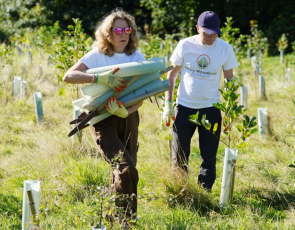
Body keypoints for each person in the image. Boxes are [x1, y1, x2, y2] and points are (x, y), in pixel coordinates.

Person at [63, 9, 145, 221]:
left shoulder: (137, 56)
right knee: (125, 169)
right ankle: (126, 222)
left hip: (128, 116)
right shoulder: (98, 55)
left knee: (126, 170)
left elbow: (143, 93)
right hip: (101, 119)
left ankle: (115, 219)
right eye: (117, 29)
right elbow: (69, 76)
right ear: (108, 33)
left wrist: (127, 111)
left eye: (127, 29)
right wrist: (99, 78)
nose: (123, 33)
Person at [163, 11, 238, 191]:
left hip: (211, 109)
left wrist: (229, 110)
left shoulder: (225, 48)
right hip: (184, 108)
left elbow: (229, 80)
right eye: (206, 34)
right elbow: (171, 75)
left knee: (209, 157)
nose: (211, 38)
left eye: (214, 34)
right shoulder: (185, 45)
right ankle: (180, 191)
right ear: (198, 29)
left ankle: (204, 193)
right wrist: (168, 104)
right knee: (179, 155)